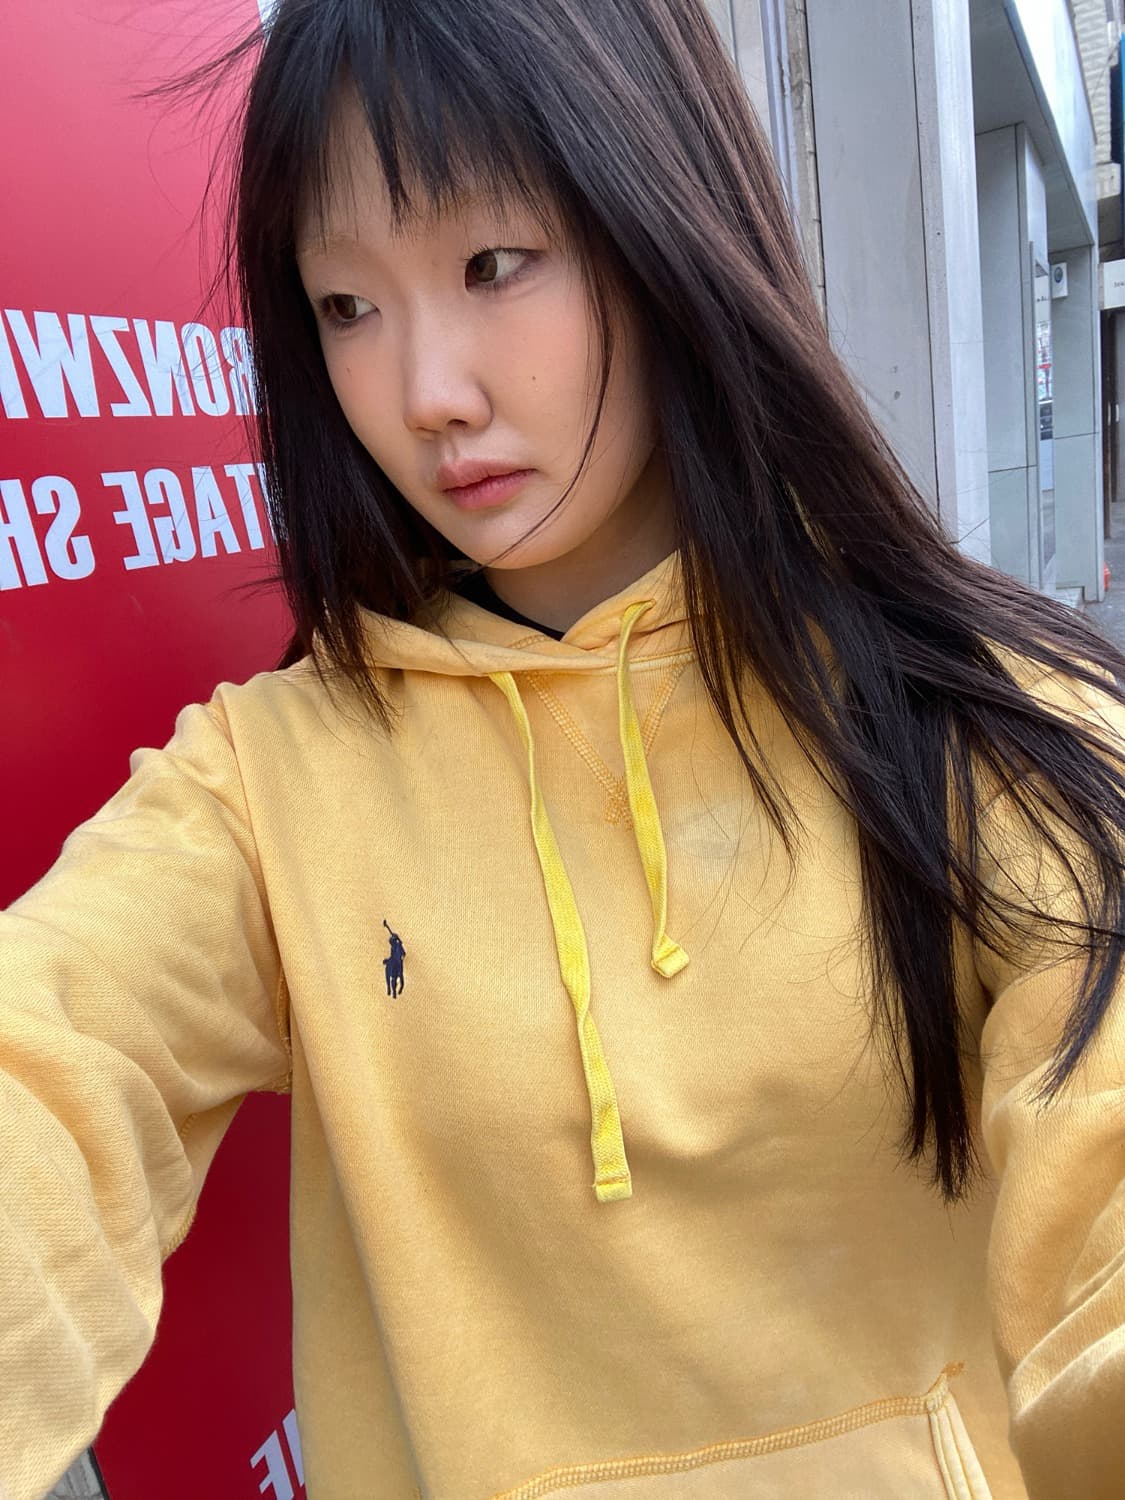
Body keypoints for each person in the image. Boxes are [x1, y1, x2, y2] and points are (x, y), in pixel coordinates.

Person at [3, 1, 1125, 1496]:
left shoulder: (976, 717)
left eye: (493, 265)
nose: (427, 393)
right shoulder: (269, 784)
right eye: (346, 304)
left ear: (661, 222)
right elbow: (53, 1057)